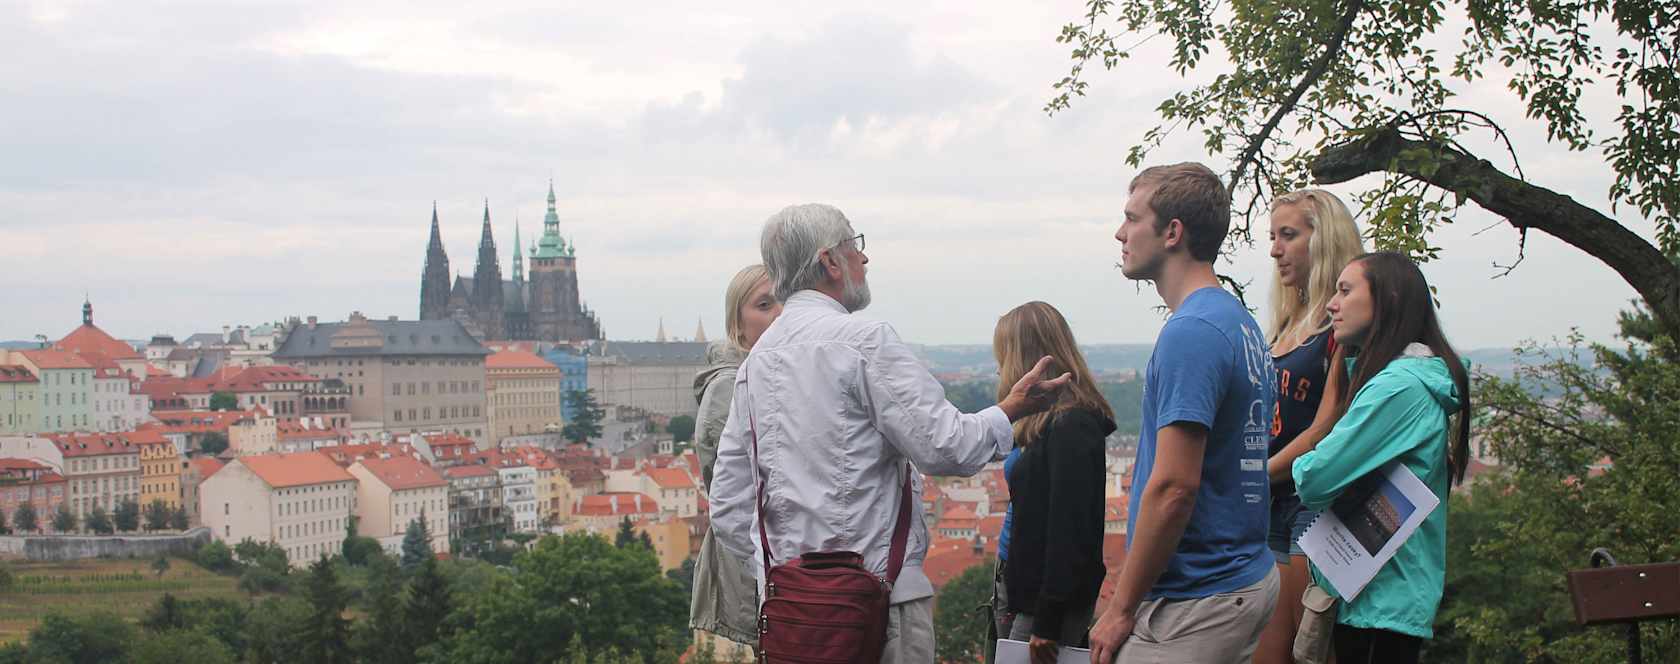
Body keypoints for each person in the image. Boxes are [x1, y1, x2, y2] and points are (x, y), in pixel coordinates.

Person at [709, 203, 1073, 663]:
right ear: (830, 262)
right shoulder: (863, 341)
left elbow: (726, 506)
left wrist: (783, 577)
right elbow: (948, 447)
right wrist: (1011, 409)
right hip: (879, 603)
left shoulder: (757, 362)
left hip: (793, 615)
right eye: (855, 247)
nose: (864, 260)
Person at [1088, 162, 1279, 664]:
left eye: (1132, 219)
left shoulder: (1192, 332)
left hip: (1197, 598)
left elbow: (1175, 487)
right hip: (1240, 577)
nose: (1119, 232)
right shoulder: (1239, 322)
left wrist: (1121, 608)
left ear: (1172, 232)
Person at [1291, 252, 1471, 664]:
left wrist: (1317, 441)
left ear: (1386, 300)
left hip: (1379, 602)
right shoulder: (1407, 380)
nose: (1332, 304)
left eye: (1345, 290)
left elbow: (1315, 479)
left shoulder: (1397, 388)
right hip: (1380, 596)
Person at [1253, 189, 1365, 664]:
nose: (1275, 249)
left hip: (1311, 506)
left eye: (1288, 235)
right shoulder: (1283, 323)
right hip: (1270, 502)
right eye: (1273, 237)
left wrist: (1254, 474)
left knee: (1310, 649)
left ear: (1324, 241)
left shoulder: (1339, 328)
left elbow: (1327, 425)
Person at [995, 301, 1117, 664]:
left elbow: (1070, 528)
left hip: (1044, 602)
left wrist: (1047, 618)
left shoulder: (1071, 426)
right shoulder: (1044, 423)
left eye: (1003, 354)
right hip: (1024, 587)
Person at [689, 264, 782, 649]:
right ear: (737, 326)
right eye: (764, 304)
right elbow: (727, 492)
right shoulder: (730, 385)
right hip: (753, 568)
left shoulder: (771, 373)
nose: (778, 313)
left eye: (784, 302)